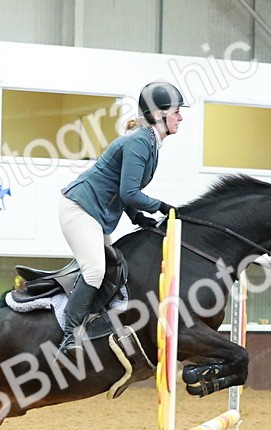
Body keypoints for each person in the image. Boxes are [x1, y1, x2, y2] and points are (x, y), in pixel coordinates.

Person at [56, 81, 186, 354]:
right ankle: (68, 338)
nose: (180, 118)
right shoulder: (140, 141)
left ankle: (96, 324)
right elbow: (129, 192)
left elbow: (122, 190)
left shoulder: (149, 142)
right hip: (80, 209)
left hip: (94, 214)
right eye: (176, 112)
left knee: (113, 270)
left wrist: (138, 217)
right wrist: (161, 207)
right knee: (95, 270)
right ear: (159, 114)